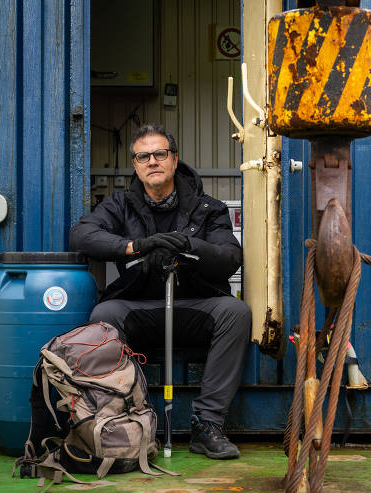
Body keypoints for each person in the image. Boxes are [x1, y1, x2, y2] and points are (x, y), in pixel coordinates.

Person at [70, 123, 251, 460]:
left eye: (159, 154)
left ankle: (207, 424)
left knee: (236, 312)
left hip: (195, 305)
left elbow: (229, 257)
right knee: (103, 317)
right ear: (136, 165)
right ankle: (122, 421)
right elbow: (82, 235)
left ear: (174, 159)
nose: (152, 161)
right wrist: (136, 246)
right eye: (143, 156)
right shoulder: (120, 204)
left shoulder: (208, 208)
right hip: (140, 305)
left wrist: (189, 246)